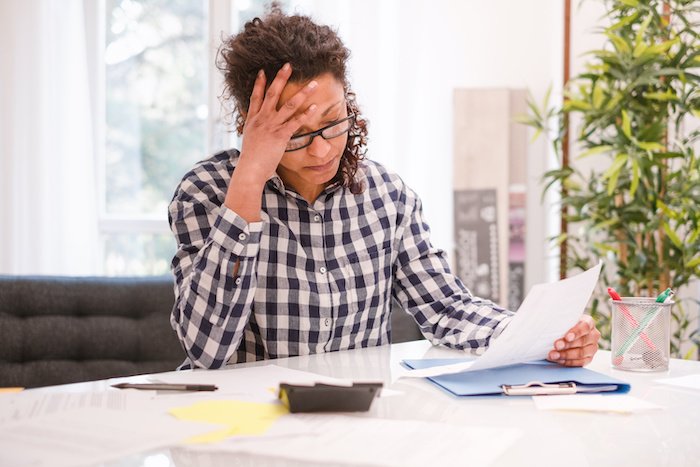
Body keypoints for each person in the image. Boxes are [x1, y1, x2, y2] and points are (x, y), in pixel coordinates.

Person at [168, 5, 601, 370]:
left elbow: (447, 309)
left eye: (333, 121)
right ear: (253, 124)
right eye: (294, 133)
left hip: (354, 426)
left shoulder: (386, 196)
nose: (321, 149)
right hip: (238, 430)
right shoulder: (205, 193)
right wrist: (248, 180)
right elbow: (207, 351)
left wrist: (540, 336)